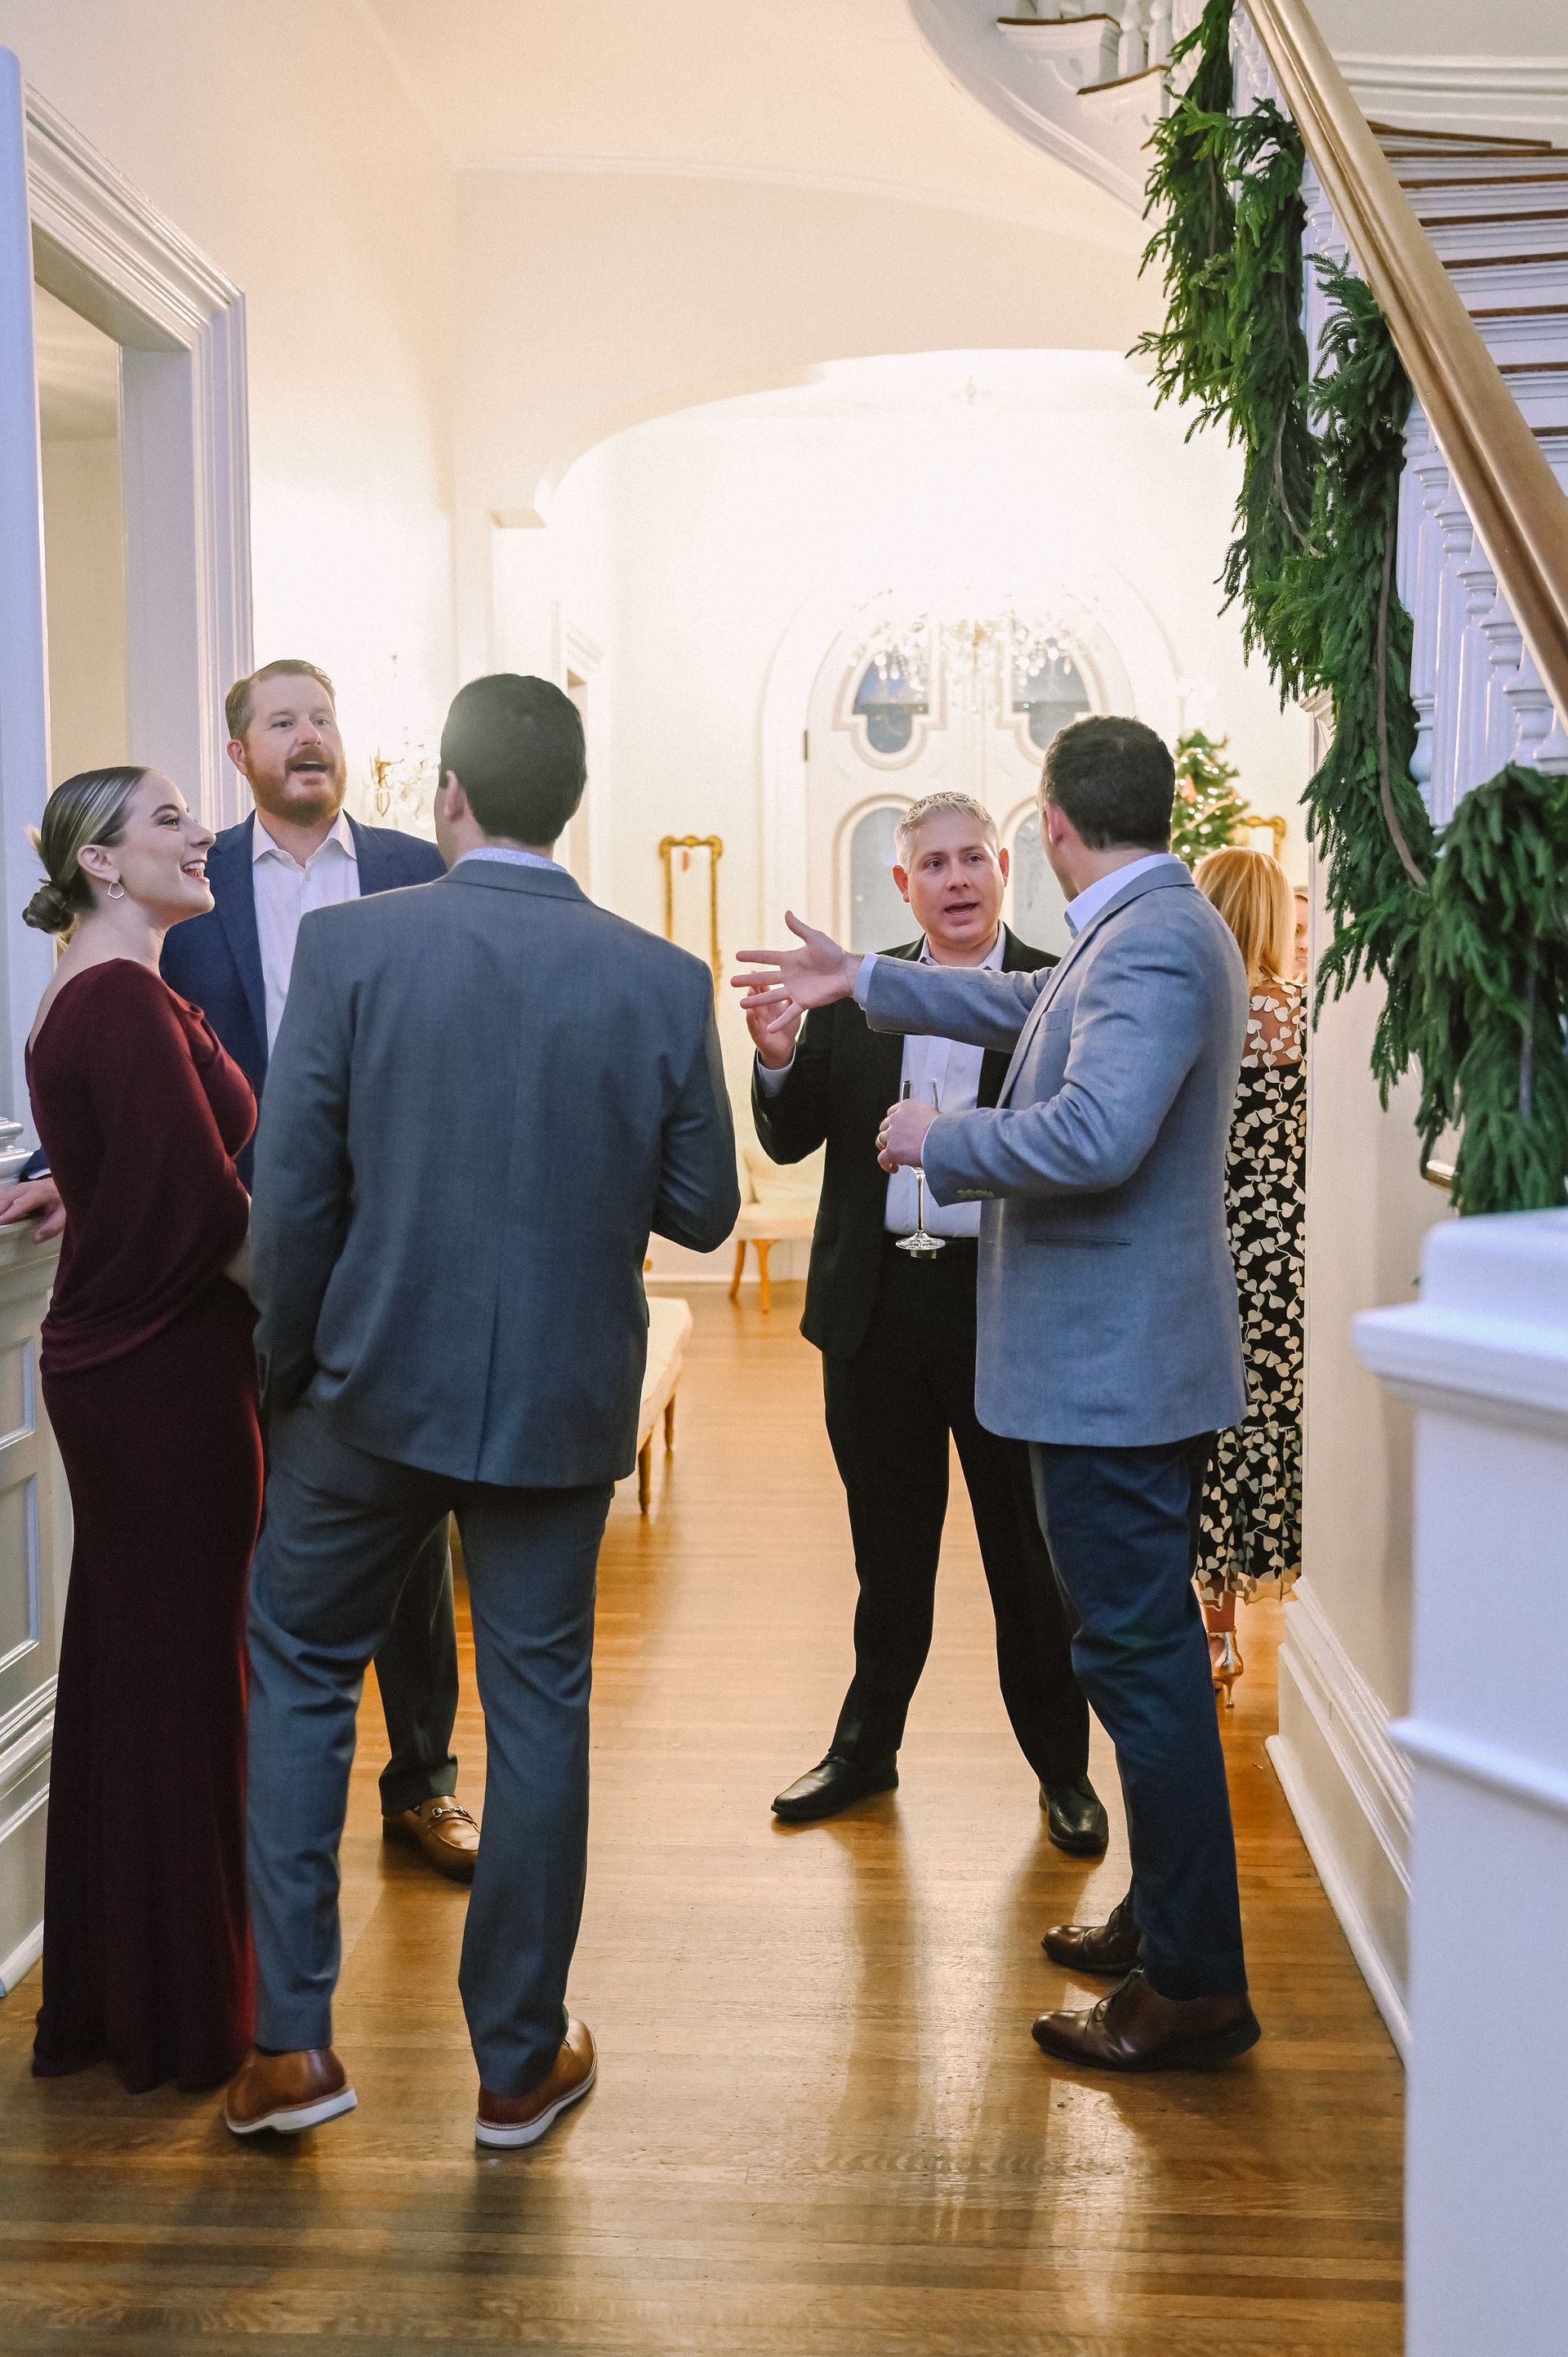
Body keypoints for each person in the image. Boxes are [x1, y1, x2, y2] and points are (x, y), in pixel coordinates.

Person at [224, 674, 739, 2147]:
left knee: (305, 1682)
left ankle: (290, 2052)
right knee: (540, 1714)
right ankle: (517, 2062)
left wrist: (291, 1377)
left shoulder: (350, 948)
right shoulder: (657, 979)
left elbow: (296, 1197)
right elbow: (705, 1212)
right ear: (569, 804)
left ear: (447, 792)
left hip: (361, 1397)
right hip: (560, 1412)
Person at [737, 715, 1260, 2074]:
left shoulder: (1143, 936)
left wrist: (937, 1137)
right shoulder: (1147, 917)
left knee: (1138, 1674)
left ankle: (1194, 1982)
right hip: (1101, 1370)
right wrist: (865, 980)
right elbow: (1026, 1006)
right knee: (1141, 1668)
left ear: (1049, 831)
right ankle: (1164, 1913)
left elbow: (1094, 1132)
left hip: (1113, 1380)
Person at [2, 662, 478, 1884]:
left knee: (406, 1531)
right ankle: (237, 1831)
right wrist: (84, 1168)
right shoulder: (183, 926)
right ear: (241, 751)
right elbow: (126, 1071)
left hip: (369, 1246)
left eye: (325, 717)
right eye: (284, 721)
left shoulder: (418, 874)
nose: (310, 737)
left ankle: (419, 1778)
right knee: (215, 1587)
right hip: (224, 1281)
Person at [750, 791, 1105, 1853]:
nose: (955, 880)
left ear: (1004, 867)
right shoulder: (853, 996)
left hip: (1005, 1314)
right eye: (933, 865)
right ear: (903, 883)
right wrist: (775, 1055)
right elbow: (788, 1138)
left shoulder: (1058, 991)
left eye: (971, 860)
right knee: (887, 1559)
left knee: (1028, 1571)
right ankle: (866, 1752)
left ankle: (1064, 1773)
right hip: (875, 1319)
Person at [22, 766, 261, 2092]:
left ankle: (134, 1995)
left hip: (142, 1366)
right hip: (160, 1378)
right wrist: (347, 1323)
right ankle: (179, 2011)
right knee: (181, 1691)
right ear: (103, 864)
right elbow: (211, 1221)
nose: (198, 831)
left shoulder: (123, 991)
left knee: (141, 1680)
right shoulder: (115, 995)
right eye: (169, 816)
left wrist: (79, 1186)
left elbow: (145, 1170)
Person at [1191, 848, 1305, 1702]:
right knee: (1279, 1425)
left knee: (1214, 1429)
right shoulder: (1299, 1017)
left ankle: (1217, 1636)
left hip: (1210, 1241)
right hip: (1290, 1251)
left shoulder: (1198, 1016)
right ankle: (1302, 1598)